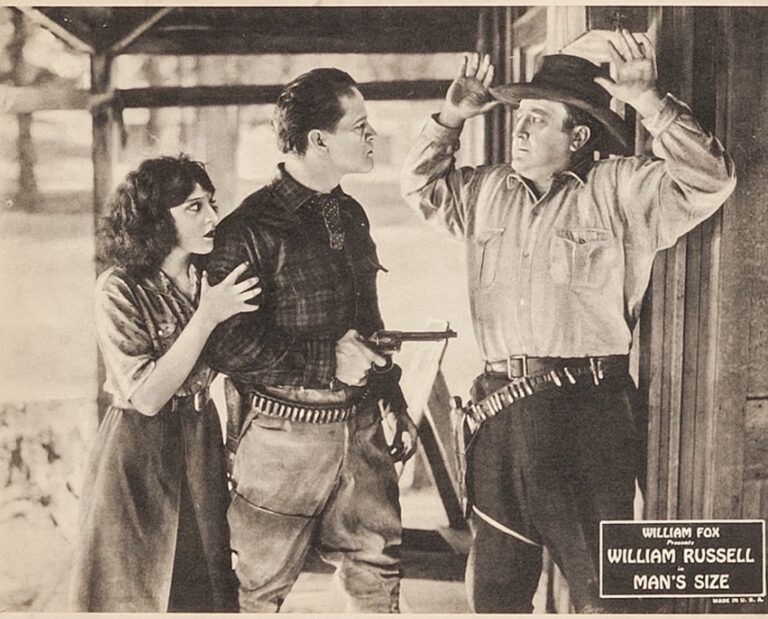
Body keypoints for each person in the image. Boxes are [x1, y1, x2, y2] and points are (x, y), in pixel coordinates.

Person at [401, 32, 736, 613]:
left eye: (537, 119)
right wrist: (451, 117)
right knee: (494, 596)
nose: (520, 129)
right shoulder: (485, 191)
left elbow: (710, 178)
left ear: (578, 136)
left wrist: (649, 101)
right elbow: (420, 186)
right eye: (520, 117)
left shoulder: (619, 188)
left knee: (606, 595)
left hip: (586, 415)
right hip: (498, 414)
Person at [203, 68, 418, 613]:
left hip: (362, 430)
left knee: (378, 579)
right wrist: (327, 362)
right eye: (360, 126)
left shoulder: (350, 214)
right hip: (281, 440)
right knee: (256, 591)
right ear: (319, 140)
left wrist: (391, 400)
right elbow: (225, 344)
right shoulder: (248, 229)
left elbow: (368, 322)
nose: (372, 136)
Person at [69, 155, 261, 612]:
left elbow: (242, 368)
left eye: (211, 203)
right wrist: (207, 316)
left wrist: (238, 444)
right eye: (194, 207)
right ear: (156, 217)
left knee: (206, 585)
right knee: (136, 591)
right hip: (136, 449)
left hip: (201, 440)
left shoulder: (213, 278)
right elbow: (149, 397)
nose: (212, 218)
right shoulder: (118, 288)